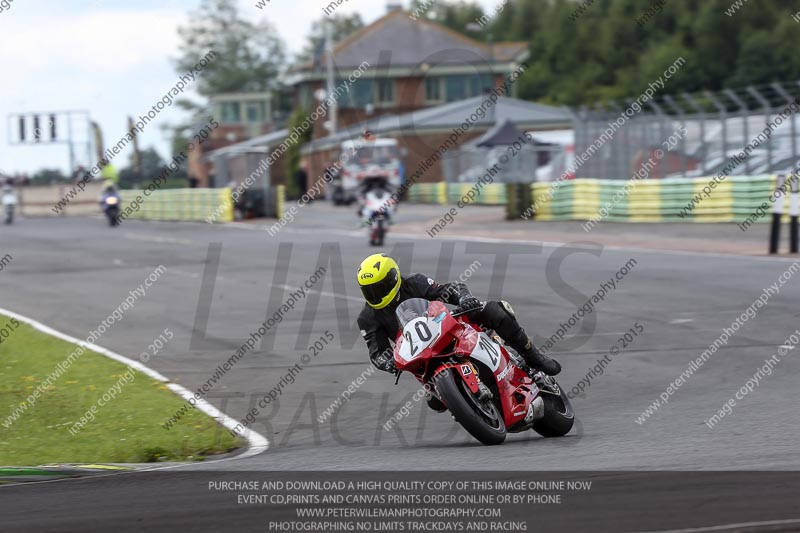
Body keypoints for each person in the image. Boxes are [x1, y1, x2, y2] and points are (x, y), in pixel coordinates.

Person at [356, 254, 561, 409]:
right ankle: (471, 406)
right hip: (421, 355)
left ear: (393, 278)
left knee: (493, 310)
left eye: (379, 287)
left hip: (445, 327)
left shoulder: (413, 282)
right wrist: (388, 362)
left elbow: (449, 289)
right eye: (368, 290)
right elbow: (377, 352)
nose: (375, 294)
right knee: (436, 404)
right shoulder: (367, 317)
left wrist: (464, 299)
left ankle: (532, 356)